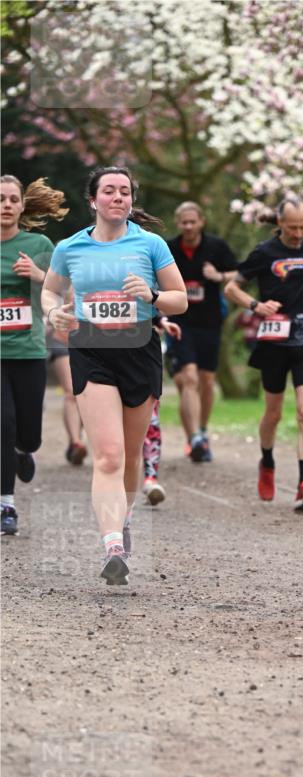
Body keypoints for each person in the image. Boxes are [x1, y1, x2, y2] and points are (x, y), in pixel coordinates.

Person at [42, 166, 187, 584]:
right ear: (94, 200)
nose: (118, 197)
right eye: (109, 191)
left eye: (125, 191)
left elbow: (180, 300)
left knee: (129, 454)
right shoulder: (70, 248)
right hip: (90, 350)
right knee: (106, 453)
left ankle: (122, 519)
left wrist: (153, 296)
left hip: (139, 351)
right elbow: (51, 290)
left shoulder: (151, 245)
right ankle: (112, 544)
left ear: (131, 200)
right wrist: (55, 311)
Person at [225, 198, 303, 511]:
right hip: (273, 339)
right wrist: (255, 306)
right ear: (280, 225)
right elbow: (232, 288)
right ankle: (268, 462)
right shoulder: (265, 253)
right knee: (273, 413)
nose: (298, 233)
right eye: (292, 227)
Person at [1, 175, 68, 536]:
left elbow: (63, 287)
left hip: (28, 351)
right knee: (3, 423)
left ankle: (25, 451)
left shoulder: (38, 243)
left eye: (13, 199)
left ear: (23, 206)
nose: (7, 205)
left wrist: (39, 273)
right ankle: (6, 505)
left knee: (28, 433)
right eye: (1, 199)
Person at [165, 201, 238, 462]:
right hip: (179, 322)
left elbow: (239, 273)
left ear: (201, 222)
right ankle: (194, 437)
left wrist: (218, 276)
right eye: (183, 222)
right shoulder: (169, 248)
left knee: (206, 381)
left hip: (209, 322)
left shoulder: (216, 247)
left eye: (192, 222)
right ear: (177, 223)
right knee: (189, 378)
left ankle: (202, 432)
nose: (188, 226)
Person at [141, 314, 182, 507]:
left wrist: (160, 321)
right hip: (104, 355)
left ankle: (151, 479)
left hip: (145, 350)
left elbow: (153, 298)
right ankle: (115, 477)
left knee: (151, 420)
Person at [46, 331, 87, 465]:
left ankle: (74, 440)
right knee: (72, 393)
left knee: (84, 394)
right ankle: (76, 442)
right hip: (62, 337)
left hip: (91, 338)